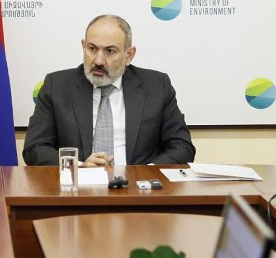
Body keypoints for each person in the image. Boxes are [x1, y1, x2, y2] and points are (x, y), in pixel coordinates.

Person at [23, 14, 195, 167]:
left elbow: (182, 146)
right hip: (78, 188)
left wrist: (145, 173)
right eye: (92, 48)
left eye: (110, 51)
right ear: (83, 46)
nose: (98, 60)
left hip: (138, 188)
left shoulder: (156, 85)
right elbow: (35, 148)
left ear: (129, 55)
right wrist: (78, 167)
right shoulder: (56, 86)